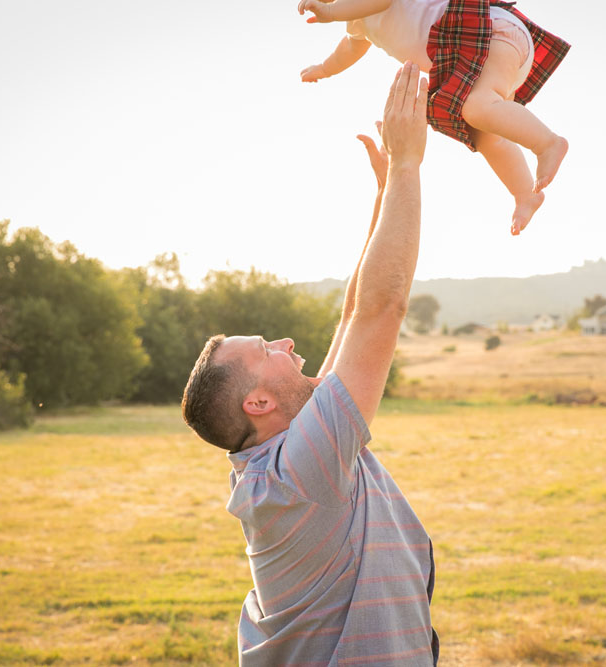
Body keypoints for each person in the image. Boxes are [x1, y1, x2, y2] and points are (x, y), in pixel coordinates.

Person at [182, 63, 439, 665]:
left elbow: (354, 315)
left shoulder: (279, 458)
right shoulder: (301, 474)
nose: (289, 345)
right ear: (259, 403)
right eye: (268, 350)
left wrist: (383, 200)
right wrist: (407, 167)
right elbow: (382, 309)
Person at [298, 0, 570, 236]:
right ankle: (525, 195)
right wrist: (324, 69)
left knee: (476, 109)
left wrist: (331, 12)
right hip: (479, 52)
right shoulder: (357, 22)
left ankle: (547, 143)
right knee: (486, 136)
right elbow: (350, 47)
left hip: (490, 33)